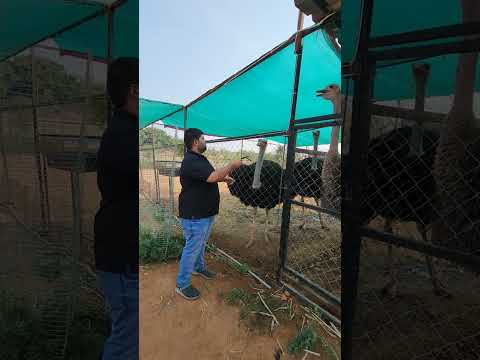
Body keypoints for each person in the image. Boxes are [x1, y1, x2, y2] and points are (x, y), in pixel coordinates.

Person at [94, 57, 139, 360]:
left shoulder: (121, 131)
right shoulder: (125, 137)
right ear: (134, 90)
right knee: (127, 341)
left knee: (127, 333)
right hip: (122, 256)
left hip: (119, 251)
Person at [175, 128, 242, 300]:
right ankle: (182, 284)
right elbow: (211, 177)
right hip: (195, 215)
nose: (206, 141)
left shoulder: (199, 159)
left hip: (204, 213)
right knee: (192, 248)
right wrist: (231, 166)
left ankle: (199, 267)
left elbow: (207, 177)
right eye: (203, 138)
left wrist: (224, 178)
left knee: (200, 244)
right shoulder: (191, 160)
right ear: (196, 142)